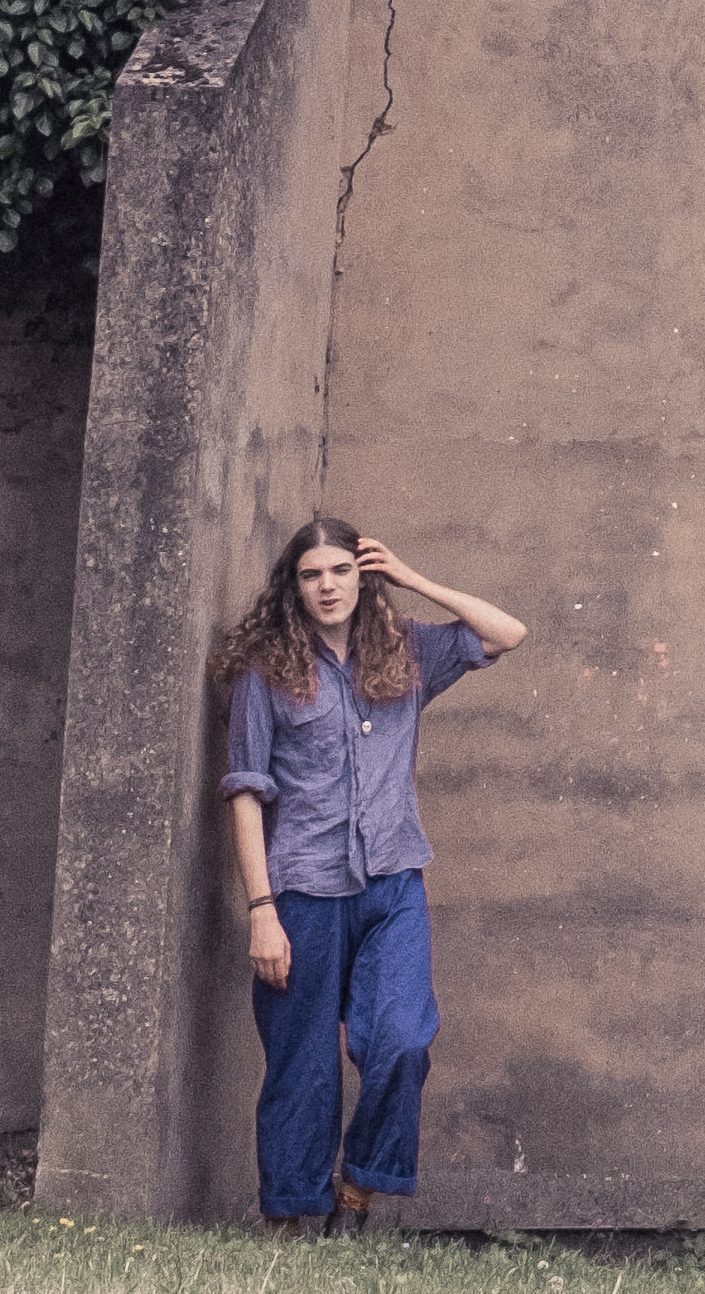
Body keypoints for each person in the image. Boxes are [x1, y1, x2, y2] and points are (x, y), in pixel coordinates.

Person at [215, 518, 529, 1232]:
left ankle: (356, 1191)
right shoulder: (265, 673)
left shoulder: (406, 652)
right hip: (302, 890)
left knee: (401, 1040)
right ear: (292, 587)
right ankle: (290, 1219)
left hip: (392, 884)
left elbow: (507, 633)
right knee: (302, 1063)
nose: (327, 586)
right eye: (311, 574)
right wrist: (261, 908)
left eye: (341, 570)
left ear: (365, 576)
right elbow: (246, 790)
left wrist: (411, 578)